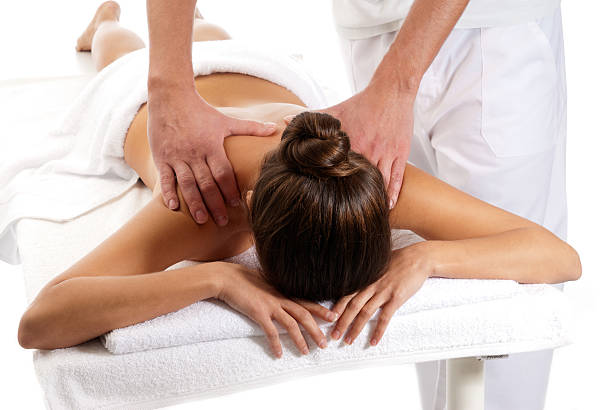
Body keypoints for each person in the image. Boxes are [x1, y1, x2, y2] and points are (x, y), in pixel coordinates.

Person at [18, 3, 579, 367]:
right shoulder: (212, 205)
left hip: (268, 72)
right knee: (121, 50)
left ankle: (173, 24)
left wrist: (428, 258)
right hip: (139, 102)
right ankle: (105, 22)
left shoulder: (369, 186)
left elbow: (560, 258)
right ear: (254, 219)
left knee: (210, 33)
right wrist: (213, 280)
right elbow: (42, 320)